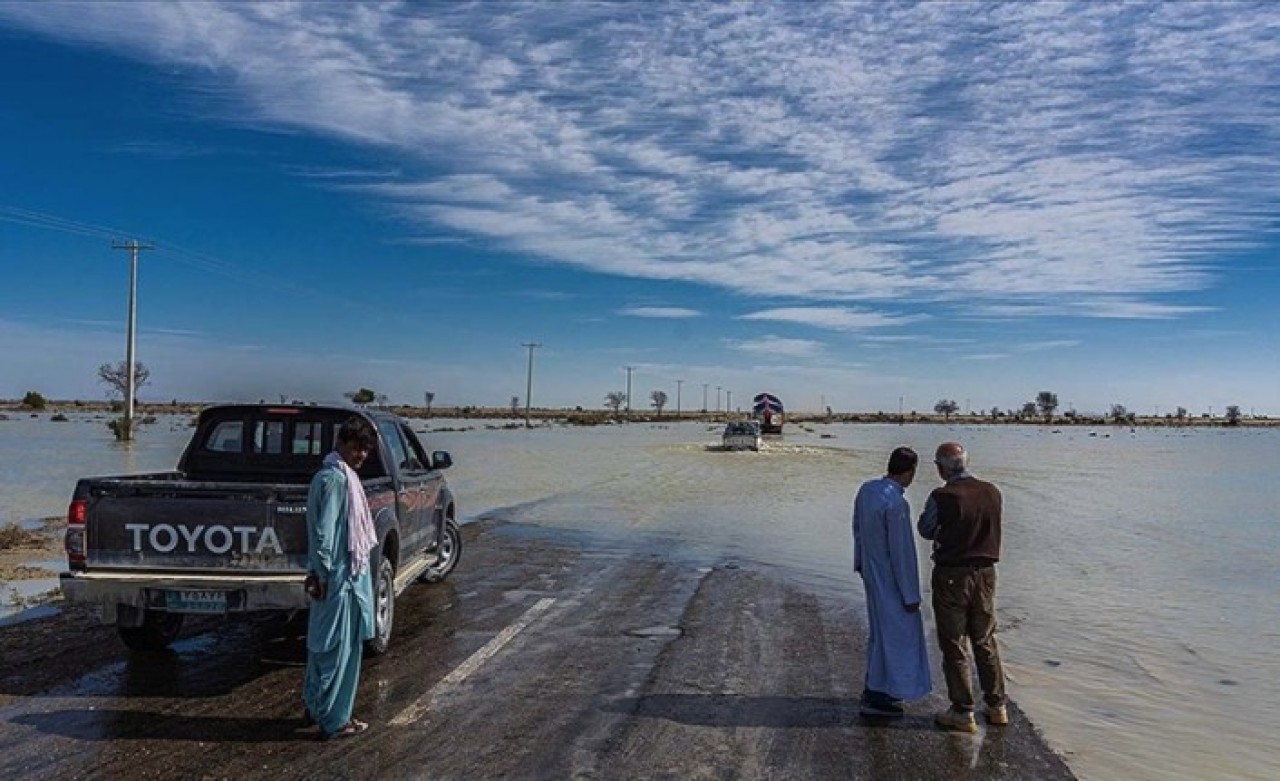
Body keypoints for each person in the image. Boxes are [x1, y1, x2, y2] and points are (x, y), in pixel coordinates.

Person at [917, 441, 1008, 732]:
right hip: (986, 573)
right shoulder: (992, 491)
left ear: (942, 467)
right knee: (985, 639)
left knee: (954, 642)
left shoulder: (943, 496)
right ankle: (997, 706)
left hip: (952, 574)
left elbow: (926, 529)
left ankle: (963, 710)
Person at [303, 416, 379, 740]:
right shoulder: (336, 481)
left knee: (322, 646)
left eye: (365, 450)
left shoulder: (333, 476)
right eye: (356, 448)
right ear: (342, 445)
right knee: (340, 651)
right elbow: (323, 535)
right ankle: (335, 719)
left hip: (335, 576)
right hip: (339, 579)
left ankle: (316, 704)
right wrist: (324, 574)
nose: (361, 455)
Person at [852, 446, 931, 717]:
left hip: (873, 573)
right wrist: (911, 594)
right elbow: (902, 552)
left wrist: (860, 562)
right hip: (891, 580)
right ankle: (882, 692)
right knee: (898, 636)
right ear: (910, 472)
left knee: (880, 633)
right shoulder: (896, 503)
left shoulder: (867, 490)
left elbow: (857, 529)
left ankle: (876, 686)